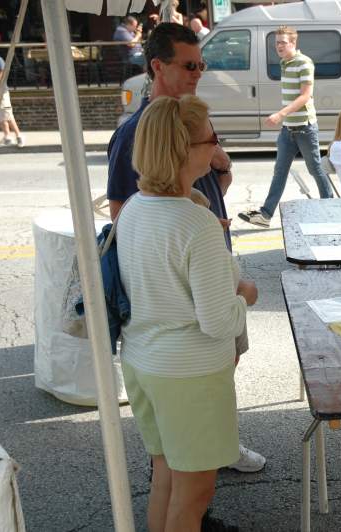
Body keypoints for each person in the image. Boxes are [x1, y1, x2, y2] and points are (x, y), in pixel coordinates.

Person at [107, 22, 267, 474]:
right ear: (157, 66)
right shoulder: (140, 133)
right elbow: (124, 216)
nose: (199, 72)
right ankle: (202, 459)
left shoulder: (193, 121)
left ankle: (216, 445)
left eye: (203, 64)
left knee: (225, 362)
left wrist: (220, 173)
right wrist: (186, 234)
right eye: (189, 65)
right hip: (188, 298)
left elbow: (212, 185)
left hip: (202, 266)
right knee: (188, 476)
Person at [118, 95, 258, 532]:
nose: (216, 148)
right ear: (186, 150)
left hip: (144, 360)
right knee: (195, 493)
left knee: (165, 476)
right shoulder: (195, 224)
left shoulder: (135, 208)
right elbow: (217, 321)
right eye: (212, 138)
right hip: (189, 373)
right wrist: (245, 297)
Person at [238, 25, 334, 228]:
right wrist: (284, 119)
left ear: (293, 43)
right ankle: (265, 214)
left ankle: (331, 209)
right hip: (288, 130)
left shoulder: (304, 63)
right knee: (279, 171)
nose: (279, 46)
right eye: (276, 43)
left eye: (283, 42)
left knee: (315, 168)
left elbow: (305, 95)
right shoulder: (285, 62)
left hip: (305, 128)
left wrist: (281, 114)